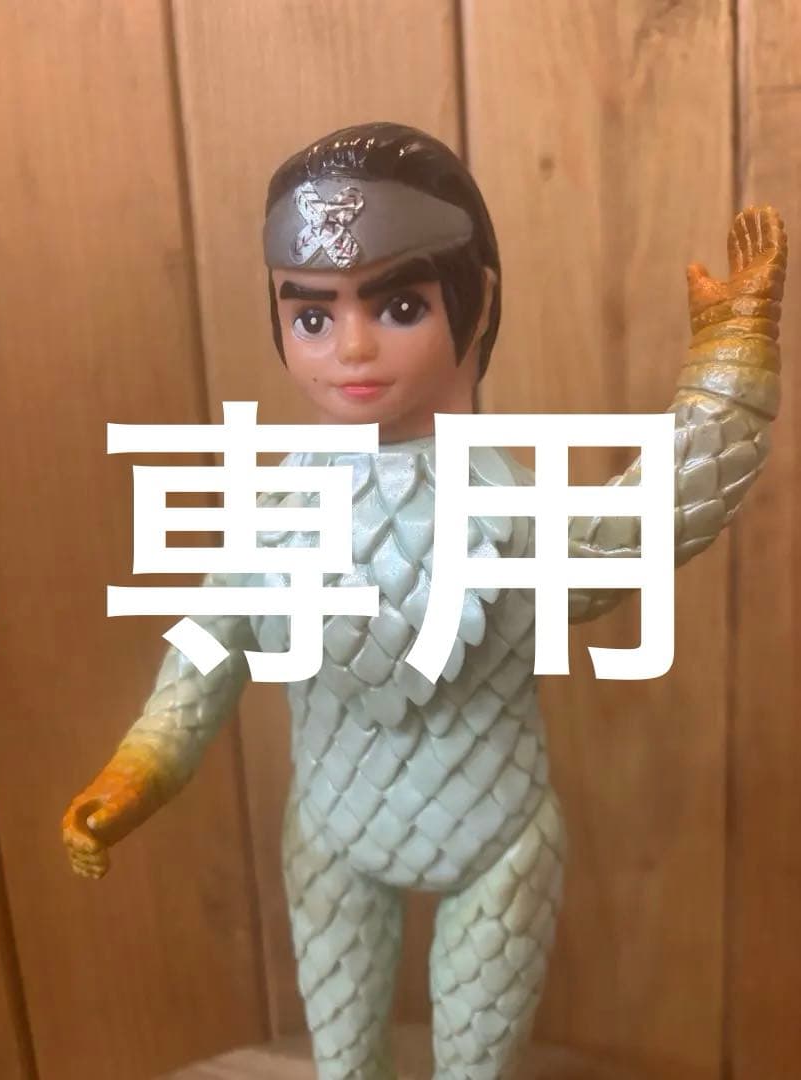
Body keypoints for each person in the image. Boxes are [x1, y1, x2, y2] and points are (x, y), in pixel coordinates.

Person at [63, 122, 787, 1079]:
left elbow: (645, 526)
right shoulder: (276, 517)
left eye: (400, 305)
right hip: (332, 829)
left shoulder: (514, 517)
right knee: (344, 1066)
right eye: (312, 317)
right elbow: (204, 656)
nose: (352, 347)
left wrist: (729, 372)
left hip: (498, 840)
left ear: (474, 305)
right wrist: (131, 778)